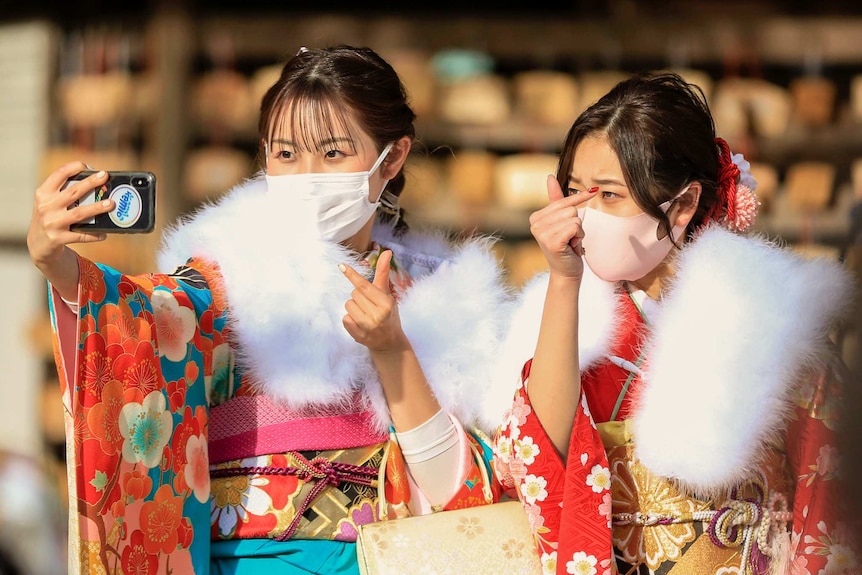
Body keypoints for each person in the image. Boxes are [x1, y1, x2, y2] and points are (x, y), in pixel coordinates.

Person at [28, 45, 513, 575]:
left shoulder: (444, 293)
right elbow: (139, 319)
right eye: (285, 155)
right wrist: (60, 267)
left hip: (389, 557)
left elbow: (463, 492)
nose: (306, 174)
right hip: (246, 560)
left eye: (332, 153)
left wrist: (394, 350)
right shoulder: (222, 277)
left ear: (392, 158)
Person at [491, 72, 859, 574]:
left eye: (609, 196)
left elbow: (828, 501)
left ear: (682, 205)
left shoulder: (771, 318)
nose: (582, 215)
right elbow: (539, 456)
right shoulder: (565, 314)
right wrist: (562, 282)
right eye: (574, 192)